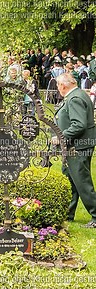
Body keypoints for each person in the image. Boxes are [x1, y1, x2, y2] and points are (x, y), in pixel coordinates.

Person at [52, 73, 96, 228]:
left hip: (78, 147)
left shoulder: (75, 98)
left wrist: (60, 136)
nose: (58, 88)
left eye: (58, 85)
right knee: (69, 180)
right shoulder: (77, 95)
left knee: (82, 181)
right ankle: (68, 213)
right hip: (74, 146)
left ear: (63, 85)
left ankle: (95, 215)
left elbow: (79, 125)